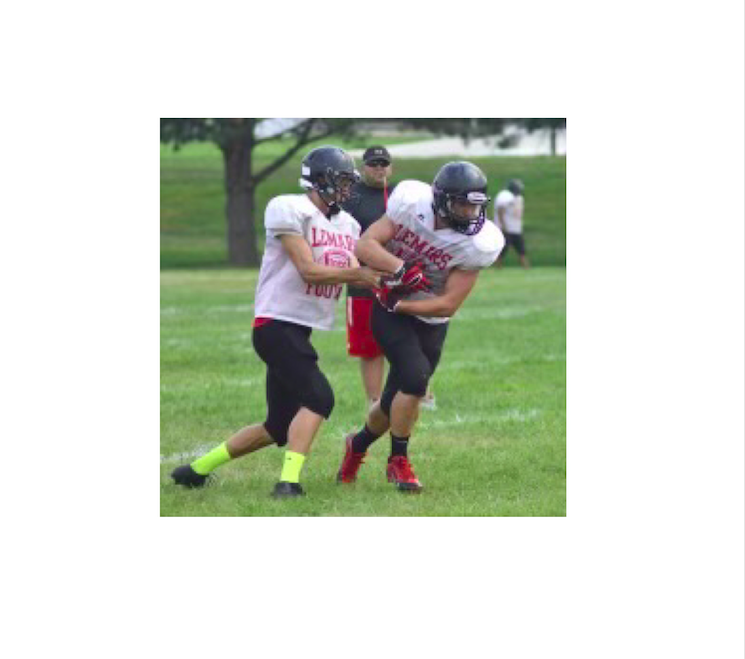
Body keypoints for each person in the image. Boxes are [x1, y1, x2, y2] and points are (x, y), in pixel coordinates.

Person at [170, 146, 383, 499]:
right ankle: (288, 483)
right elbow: (308, 269)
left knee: (277, 426)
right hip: (275, 324)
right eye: (342, 181)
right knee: (320, 398)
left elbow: (356, 270)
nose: (348, 189)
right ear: (321, 180)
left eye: (350, 182)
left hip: (299, 328)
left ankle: (195, 470)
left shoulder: (348, 224)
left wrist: (391, 278)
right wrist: (359, 274)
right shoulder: (288, 207)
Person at [336, 161, 505, 492]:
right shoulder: (412, 204)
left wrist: (404, 305)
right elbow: (365, 244)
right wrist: (399, 270)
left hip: (428, 318)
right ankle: (398, 461)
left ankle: (356, 445)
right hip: (389, 308)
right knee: (415, 380)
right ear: (440, 199)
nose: (470, 213)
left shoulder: (479, 243)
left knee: (392, 402)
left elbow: (448, 304)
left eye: (475, 205)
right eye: (462, 204)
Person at [342, 146, 395, 410]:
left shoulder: (399, 197)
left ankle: (416, 390)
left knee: (405, 340)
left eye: (384, 163)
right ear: (364, 167)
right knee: (369, 348)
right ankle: (374, 402)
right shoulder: (351, 197)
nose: (379, 168)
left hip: (397, 280)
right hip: (362, 282)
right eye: (374, 164)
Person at [494, 178, 529, 268]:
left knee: (521, 250)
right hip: (506, 228)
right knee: (503, 250)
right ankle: (497, 267)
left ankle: (526, 268)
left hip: (515, 229)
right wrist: (503, 225)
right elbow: (500, 210)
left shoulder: (517, 198)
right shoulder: (505, 196)